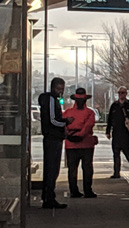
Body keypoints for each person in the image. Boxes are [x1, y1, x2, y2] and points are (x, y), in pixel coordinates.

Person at [37, 77, 71, 208]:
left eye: (62, 89)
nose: (60, 92)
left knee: (52, 168)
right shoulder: (51, 100)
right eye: (58, 89)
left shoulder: (53, 100)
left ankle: (48, 196)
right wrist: (66, 122)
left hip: (54, 137)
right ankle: (48, 197)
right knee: (52, 168)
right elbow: (52, 120)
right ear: (53, 87)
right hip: (53, 138)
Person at [63, 87, 98, 198]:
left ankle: (74, 191)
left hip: (71, 143)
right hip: (86, 143)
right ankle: (87, 190)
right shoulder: (89, 113)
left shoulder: (68, 112)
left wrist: (69, 135)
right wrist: (80, 135)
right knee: (87, 167)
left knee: (72, 168)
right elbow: (88, 126)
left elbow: (63, 126)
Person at [106, 86, 129, 178]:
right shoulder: (114, 105)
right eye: (119, 93)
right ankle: (116, 172)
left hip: (126, 132)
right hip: (116, 132)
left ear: (126, 94)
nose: (121, 94)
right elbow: (109, 119)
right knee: (116, 153)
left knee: (127, 152)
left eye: (123, 93)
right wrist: (108, 131)